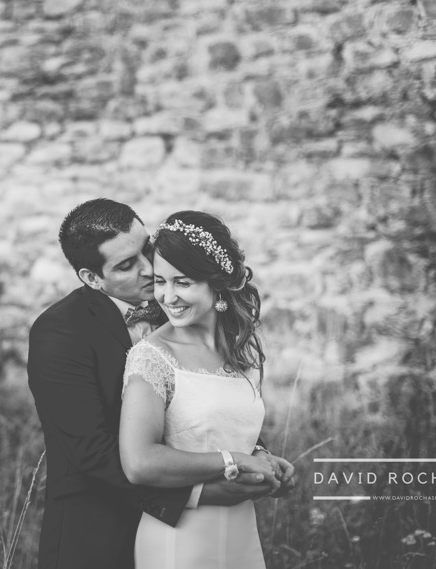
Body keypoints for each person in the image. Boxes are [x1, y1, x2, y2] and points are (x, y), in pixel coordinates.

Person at [27, 199, 289, 569]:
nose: (150, 269)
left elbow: (199, 404)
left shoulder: (183, 311)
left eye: (146, 249)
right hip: (100, 534)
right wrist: (206, 489)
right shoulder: (60, 333)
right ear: (92, 278)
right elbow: (92, 453)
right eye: (126, 265)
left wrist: (254, 452)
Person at [119, 210, 296, 568]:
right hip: (180, 538)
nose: (168, 296)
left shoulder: (241, 352)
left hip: (241, 531)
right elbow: (139, 463)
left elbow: (217, 427)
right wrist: (233, 461)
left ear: (216, 284)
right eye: (160, 281)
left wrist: (261, 458)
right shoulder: (152, 357)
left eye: (182, 282)